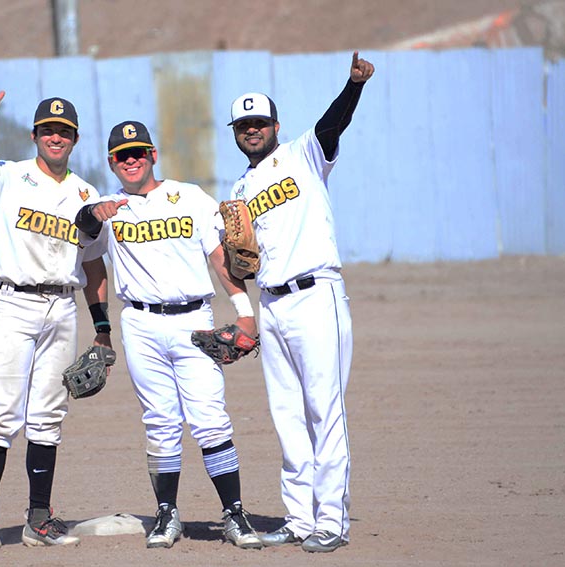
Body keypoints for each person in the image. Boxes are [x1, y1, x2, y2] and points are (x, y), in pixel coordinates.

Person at [74, 121, 263, 550]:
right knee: (159, 422)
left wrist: (245, 313)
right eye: (122, 155)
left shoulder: (190, 196)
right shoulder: (108, 208)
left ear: (153, 155)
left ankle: (234, 513)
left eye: (138, 152)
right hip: (139, 325)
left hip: (193, 319)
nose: (131, 160)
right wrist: (101, 328)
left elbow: (220, 258)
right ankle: (167, 513)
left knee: (211, 419)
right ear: (111, 162)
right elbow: (86, 245)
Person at [225, 51, 375, 553]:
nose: (252, 130)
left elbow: (334, 124)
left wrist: (352, 85)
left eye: (259, 122)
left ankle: (332, 520)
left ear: (275, 125)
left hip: (316, 295)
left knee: (323, 411)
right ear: (236, 131)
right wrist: (239, 273)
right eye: (244, 124)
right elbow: (239, 261)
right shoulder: (239, 189)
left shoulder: (303, 154)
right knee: (286, 414)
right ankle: (298, 517)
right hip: (271, 305)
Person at [0, 92, 112, 551]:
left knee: (48, 416)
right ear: (35, 135)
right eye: (48, 130)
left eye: (63, 131)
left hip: (63, 306)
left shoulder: (87, 195)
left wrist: (102, 329)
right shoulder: (7, 175)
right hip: (13, 304)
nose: (55, 136)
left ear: (75, 139)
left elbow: (95, 266)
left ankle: (38, 519)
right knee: (2, 412)